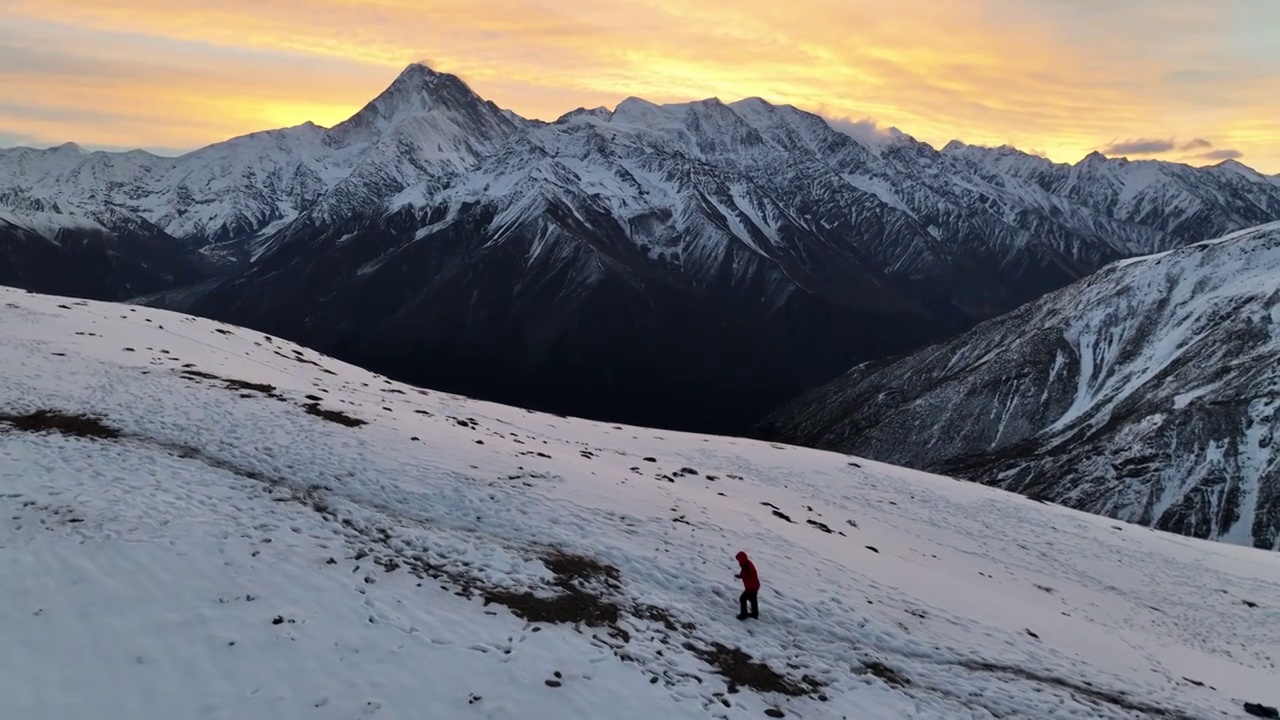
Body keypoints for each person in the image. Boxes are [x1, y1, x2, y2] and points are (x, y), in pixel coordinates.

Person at [735, 551, 760, 620]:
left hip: (751, 587)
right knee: (752, 600)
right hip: (754, 585)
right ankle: (754, 614)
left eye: (738, 560)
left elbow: (747, 575)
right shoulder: (746, 564)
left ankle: (744, 614)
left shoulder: (746, 566)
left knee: (743, 598)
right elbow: (745, 574)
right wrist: (740, 576)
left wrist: (742, 576)